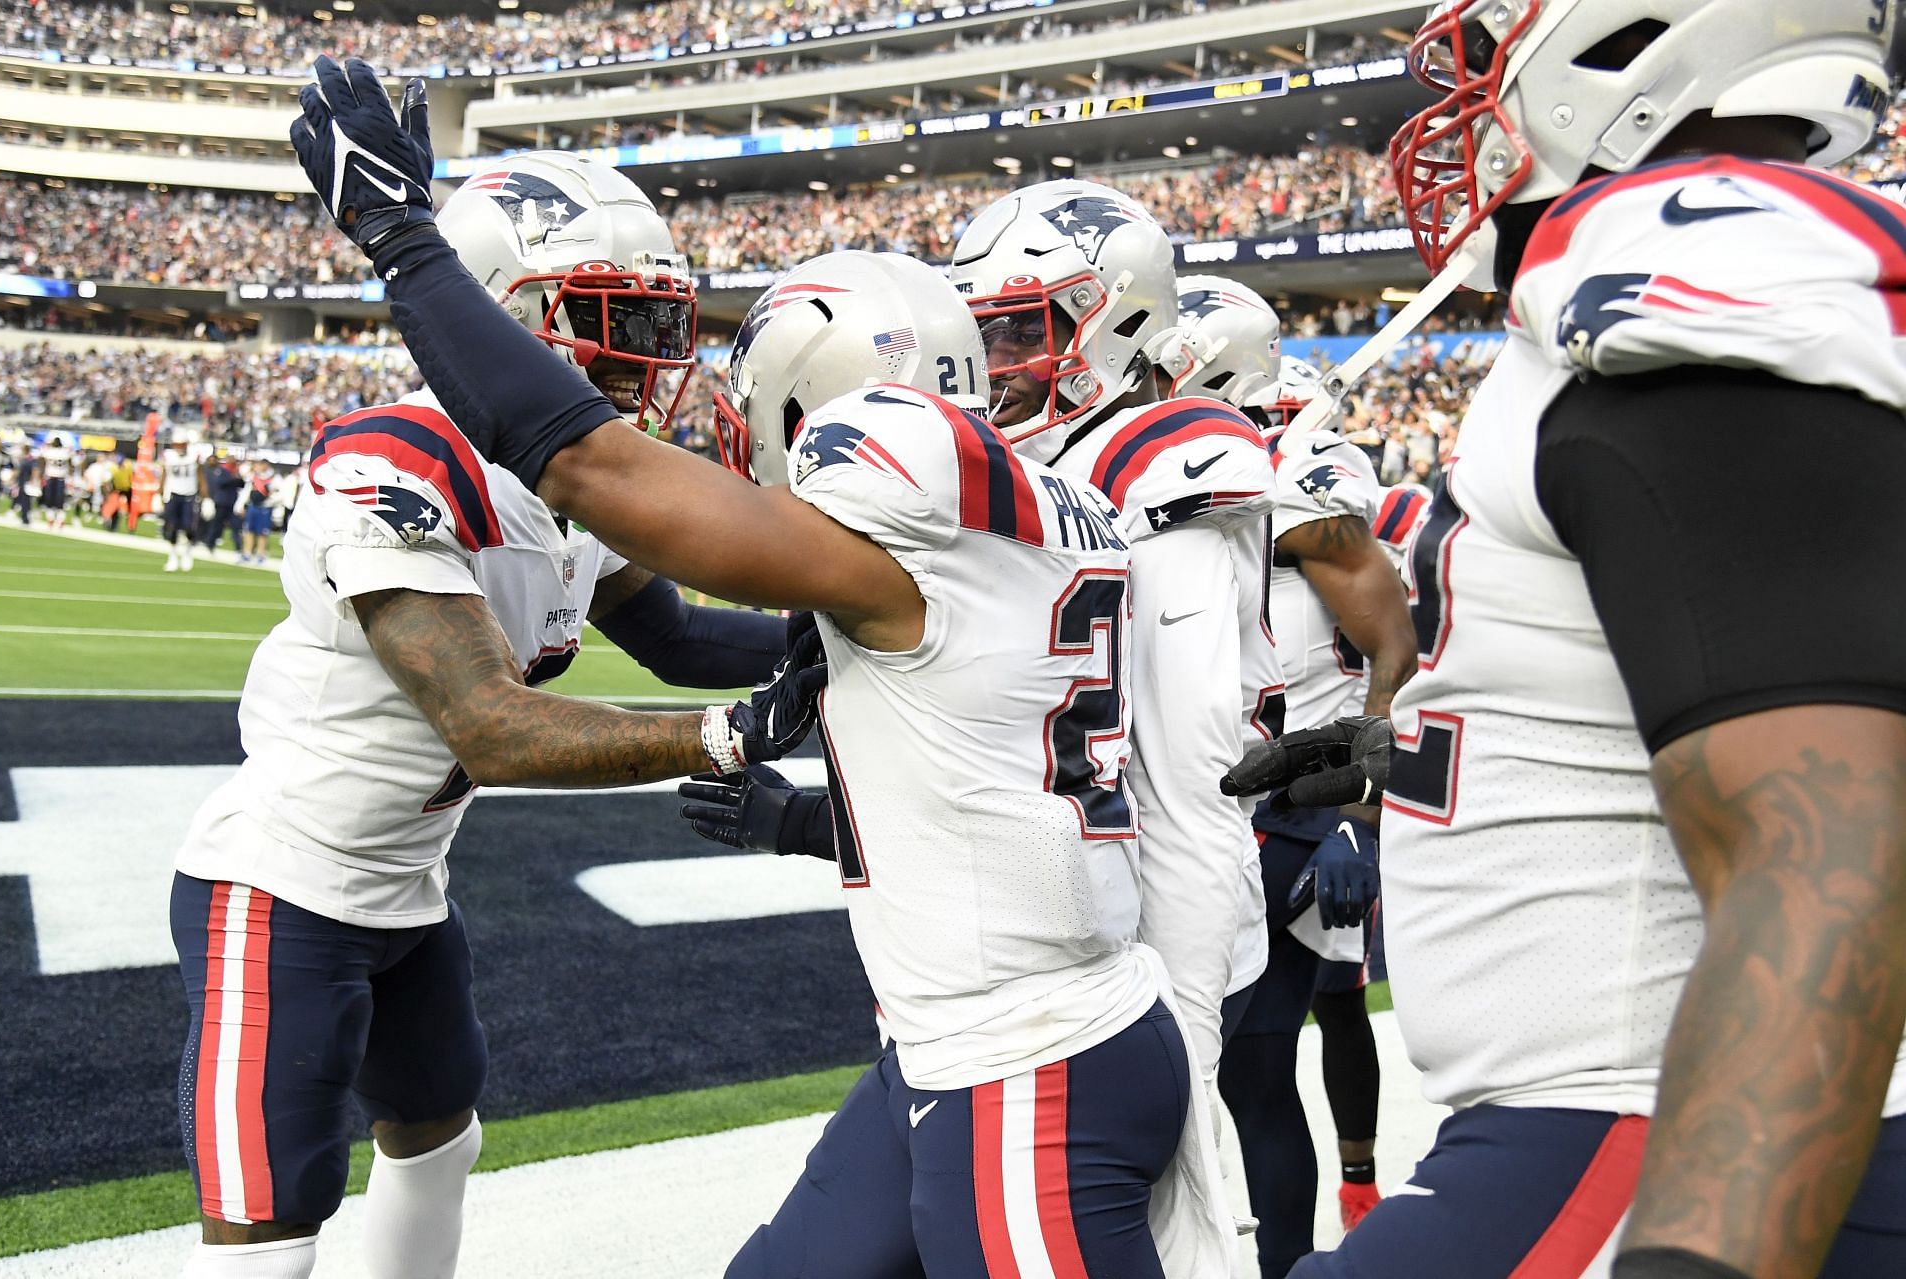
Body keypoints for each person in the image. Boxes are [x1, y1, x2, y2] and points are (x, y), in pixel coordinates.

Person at [289, 62, 1236, 1275]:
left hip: (1024, 1060)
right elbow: (912, 729)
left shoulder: (907, 507)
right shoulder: (1038, 514)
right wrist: (799, 818)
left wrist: (403, 244)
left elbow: (596, 473)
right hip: (976, 1033)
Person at [1229, 3, 1906, 1278]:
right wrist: (1396, 748)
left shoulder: (1693, 261)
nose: (1469, 95)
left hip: (1637, 1126)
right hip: (1607, 1109)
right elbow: (1669, 668)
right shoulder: (1631, 319)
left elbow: (1826, 843)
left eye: (1493, 45)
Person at [169, 148, 804, 1279]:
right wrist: (733, 732)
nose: (647, 357)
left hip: (407, 889)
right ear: (505, 308)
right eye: (611, 318)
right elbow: (490, 726)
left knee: (438, 1144)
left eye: (659, 325)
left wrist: (853, 643)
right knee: (269, 1232)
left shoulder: (566, 481)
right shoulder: (395, 461)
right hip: (282, 884)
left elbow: (681, 636)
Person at [948, 181, 1279, 1121]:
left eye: (1018, 332)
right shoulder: (1052, 462)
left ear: (1115, 321)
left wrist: (1187, 1042)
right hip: (1052, 940)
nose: (995, 364)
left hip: (1147, 949)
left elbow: (1190, 801)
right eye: (983, 337)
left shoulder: (1160, 462)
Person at [1157, 281, 1416, 1274]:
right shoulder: (1183, 466)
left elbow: (1394, 641)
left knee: (1262, 1061)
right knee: (1213, 1062)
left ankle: (1307, 1242)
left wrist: (1361, 817)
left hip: (1303, 809)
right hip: (1211, 801)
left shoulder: (1304, 475)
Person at [159, 433, 209, 572]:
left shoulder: (194, 456)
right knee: (172, 527)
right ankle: (173, 555)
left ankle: (187, 552)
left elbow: (201, 478)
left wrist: (207, 498)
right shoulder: (168, 456)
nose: (179, 448)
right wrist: (159, 494)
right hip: (173, 495)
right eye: (177, 445)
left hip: (189, 496)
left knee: (189, 527)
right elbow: (164, 475)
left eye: (182, 445)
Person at [240, 457, 278, 563]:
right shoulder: (254, 476)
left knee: (262, 532)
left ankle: (261, 554)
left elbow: (278, 493)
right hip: (253, 506)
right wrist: (242, 505)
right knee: (249, 530)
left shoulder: (273, 478)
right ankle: (247, 553)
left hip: (264, 508)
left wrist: (270, 501)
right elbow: (246, 489)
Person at [38, 433, 71, 531]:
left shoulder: (49, 452)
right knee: (59, 502)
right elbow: (70, 463)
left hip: (52, 477)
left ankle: (52, 520)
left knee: (50, 501)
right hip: (60, 478)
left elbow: (42, 460)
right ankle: (58, 521)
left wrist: (41, 473)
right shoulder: (65, 452)